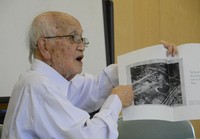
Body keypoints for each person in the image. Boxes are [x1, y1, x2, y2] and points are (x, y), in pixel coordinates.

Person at [1, 11, 177, 139]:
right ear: (45, 47)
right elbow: (89, 136)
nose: (81, 46)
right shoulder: (38, 86)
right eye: (73, 38)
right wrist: (116, 101)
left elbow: (97, 87)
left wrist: (151, 58)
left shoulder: (47, 81)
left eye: (82, 39)